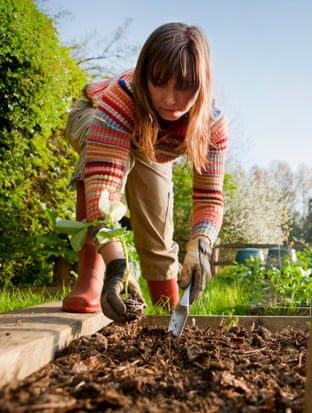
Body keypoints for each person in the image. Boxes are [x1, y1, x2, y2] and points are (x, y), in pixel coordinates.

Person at [61, 22, 228, 323]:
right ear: (144, 75)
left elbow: (209, 200)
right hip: (93, 114)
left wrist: (200, 246)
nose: (169, 99)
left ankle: (167, 306)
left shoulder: (212, 124)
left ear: (202, 83)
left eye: (184, 86)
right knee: (103, 163)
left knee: (158, 211)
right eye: (159, 82)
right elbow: (103, 188)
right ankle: (91, 275)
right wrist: (117, 266)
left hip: (151, 143)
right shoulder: (121, 97)